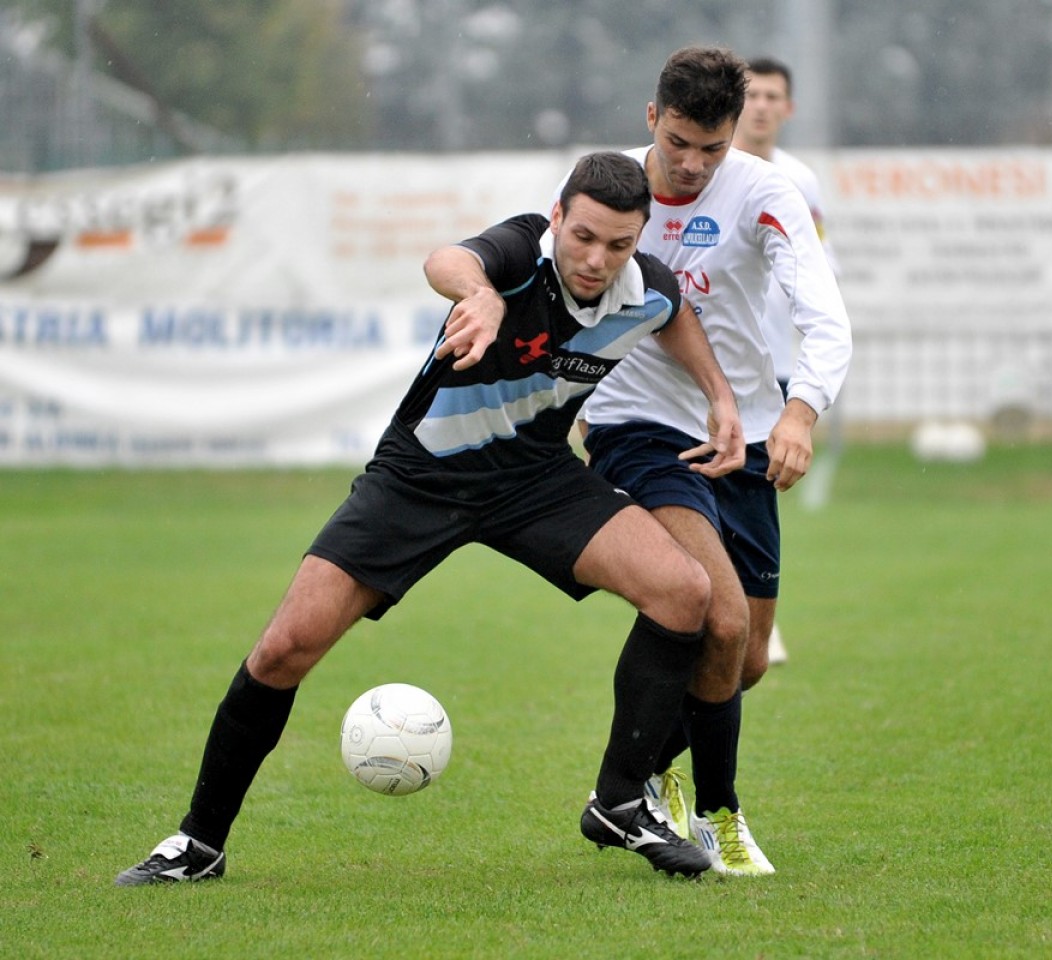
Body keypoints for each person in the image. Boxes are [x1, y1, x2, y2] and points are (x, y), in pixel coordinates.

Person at [115, 152, 746, 885]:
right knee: (286, 647)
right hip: (420, 477)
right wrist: (478, 295)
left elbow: (677, 316)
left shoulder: (646, 290)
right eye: (583, 237)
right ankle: (198, 844)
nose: (596, 259)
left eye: (618, 244)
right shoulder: (517, 254)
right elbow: (447, 259)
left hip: (537, 479)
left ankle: (616, 802)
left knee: (685, 592)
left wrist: (720, 398)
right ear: (558, 221)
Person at [577, 46, 851, 874]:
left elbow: (824, 315)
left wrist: (800, 413)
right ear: (651, 118)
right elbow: (547, 273)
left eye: (714, 148)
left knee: (747, 658)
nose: (694, 166)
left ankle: (637, 779)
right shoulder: (608, 185)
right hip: (635, 425)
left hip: (751, 433)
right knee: (718, 619)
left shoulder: (765, 193)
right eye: (681, 144)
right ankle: (719, 817)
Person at [732, 54, 845, 667]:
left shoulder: (800, 182)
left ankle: (754, 612)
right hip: (717, 359)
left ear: (789, 108)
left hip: (777, 362)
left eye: (775, 96)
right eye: (753, 95)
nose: (763, 105)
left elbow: (820, 262)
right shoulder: (712, 171)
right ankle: (731, 610)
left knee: (760, 486)